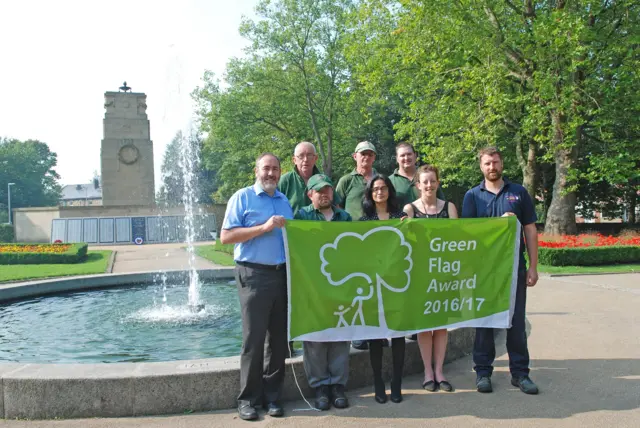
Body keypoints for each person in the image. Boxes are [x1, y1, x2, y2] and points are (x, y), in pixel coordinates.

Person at [220, 153, 294, 421]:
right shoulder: (242, 197)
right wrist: (262, 228)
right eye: (266, 169)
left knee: (277, 340)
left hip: (281, 275)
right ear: (257, 171)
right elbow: (226, 236)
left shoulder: (284, 201)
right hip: (253, 274)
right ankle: (248, 399)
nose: (271, 174)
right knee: (253, 339)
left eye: (275, 169)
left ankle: (272, 397)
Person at [461, 146, 539, 395]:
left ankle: (520, 374)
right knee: (485, 322)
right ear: (481, 166)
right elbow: (468, 235)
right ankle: (483, 372)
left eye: (495, 162)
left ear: (502, 164)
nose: (491, 167)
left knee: (515, 323)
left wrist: (534, 267)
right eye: (487, 163)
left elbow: (530, 229)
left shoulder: (518, 193)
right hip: (485, 271)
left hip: (515, 268)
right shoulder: (472, 196)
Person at [294, 174, 352, 411]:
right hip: (312, 286)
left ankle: (338, 385)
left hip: (341, 285)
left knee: (340, 335)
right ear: (310, 194)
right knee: (315, 338)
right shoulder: (301, 216)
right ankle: (320, 386)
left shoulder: (344, 217)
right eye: (319, 191)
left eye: (328, 190)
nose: (325, 194)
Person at [404, 164, 459, 393]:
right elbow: (405, 243)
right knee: (425, 326)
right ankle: (428, 372)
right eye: (424, 181)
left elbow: (458, 241)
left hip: (444, 273)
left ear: (438, 183)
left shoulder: (450, 208)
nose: (429, 185)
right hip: (420, 276)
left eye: (432, 181)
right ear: (418, 185)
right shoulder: (409, 210)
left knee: (442, 326)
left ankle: (440, 371)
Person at [359, 174, 407, 403]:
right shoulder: (362, 221)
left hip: (396, 283)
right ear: (370, 193)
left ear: (390, 191)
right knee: (375, 335)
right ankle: (378, 382)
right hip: (372, 285)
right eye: (376, 188)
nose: (380, 192)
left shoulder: (401, 218)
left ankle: (397, 382)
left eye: (384, 188)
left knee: (398, 334)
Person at [389, 142, 446, 208]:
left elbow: (442, 204)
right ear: (397, 158)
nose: (406, 158)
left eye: (409, 154)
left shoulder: (428, 176)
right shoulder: (390, 181)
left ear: (415, 155)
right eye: (402, 155)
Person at [335, 141, 378, 221]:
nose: (367, 157)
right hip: (352, 230)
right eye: (363, 154)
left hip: (377, 228)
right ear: (355, 156)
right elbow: (336, 206)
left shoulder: (381, 181)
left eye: (370, 154)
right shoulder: (346, 181)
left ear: (374, 158)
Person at [278, 141, 322, 214]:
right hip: (291, 225)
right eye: (301, 156)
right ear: (294, 160)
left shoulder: (323, 181)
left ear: (316, 158)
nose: (305, 159)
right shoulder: (284, 181)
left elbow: (335, 208)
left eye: (309, 155)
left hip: (319, 225)